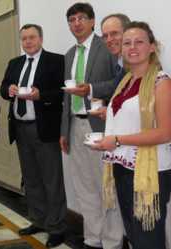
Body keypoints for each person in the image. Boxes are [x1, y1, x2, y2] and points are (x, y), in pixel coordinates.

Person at [92, 21, 171, 249]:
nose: (132, 47)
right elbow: (132, 116)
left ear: (152, 47)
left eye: (139, 42)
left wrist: (117, 140)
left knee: (148, 237)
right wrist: (111, 119)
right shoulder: (127, 81)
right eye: (127, 42)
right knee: (134, 234)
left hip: (150, 171)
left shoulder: (161, 82)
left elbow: (165, 132)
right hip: (123, 167)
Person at [60, 3, 124, 249]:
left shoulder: (106, 47)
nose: (76, 23)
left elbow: (117, 84)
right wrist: (63, 131)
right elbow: (66, 97)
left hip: (100, 125)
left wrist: (91, 89)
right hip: (75, 126)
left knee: (106, 187)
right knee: (84, 186)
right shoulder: (69, 54)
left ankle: (112, 241)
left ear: (92, 21)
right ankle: (92, 238)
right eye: (72, 20)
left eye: (81, 18)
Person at [0, 24, 66, 248]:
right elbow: (3, 88)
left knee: (52, 180)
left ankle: (57, 228)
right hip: (20, 128)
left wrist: (41, 96)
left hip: (44, 128)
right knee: (31, 178)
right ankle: (38, 219)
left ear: (41, 38)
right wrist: (8, 90)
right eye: (24, 38)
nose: (28, 42)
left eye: (32, 37)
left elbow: (61, 93)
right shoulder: (15, 63)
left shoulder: (55, 61)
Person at [91, 13, 131, 120]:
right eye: (105, 36)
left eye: (114, 34)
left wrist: (110, 112)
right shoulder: (119, 62)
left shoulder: (142, 64)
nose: (109, 40)